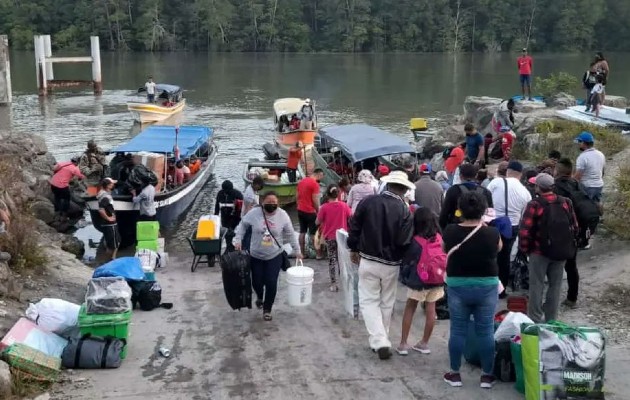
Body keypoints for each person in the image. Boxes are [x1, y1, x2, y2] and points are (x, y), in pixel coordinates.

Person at [347, 171, 414, 360]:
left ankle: (380, 340)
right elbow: (404, 241)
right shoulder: (405, 211)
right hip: (391, 263)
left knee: (368, 301)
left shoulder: (368, 202)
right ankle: (380, 339)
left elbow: (355, 226)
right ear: (405, 190)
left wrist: (353, 248)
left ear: (388, 185)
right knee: (386, 302)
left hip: (368, 259)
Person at [442, 190, 502, 388]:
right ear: (483, 210)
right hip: (486, 286)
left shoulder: (450, 231)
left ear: (459, 209)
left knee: (458, 330)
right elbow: (499, 248)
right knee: (485, 331)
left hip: (458, 285)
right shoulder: (492, 232)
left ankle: (454, 373)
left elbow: (444, 249)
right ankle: (486, 375)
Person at [518, 173, 579, 323]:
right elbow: (575, 227)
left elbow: (525, 231)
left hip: (539, 252)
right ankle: (552, 319)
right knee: (555, 286)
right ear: (552, 186)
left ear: (538, 187)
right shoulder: (566, 202)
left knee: (536, 286)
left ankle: (535, 319)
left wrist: (525, 250)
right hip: (561, 251)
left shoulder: (535, 204)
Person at [234, 191, 302, 321]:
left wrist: (297, 250)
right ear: (262, 203)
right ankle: (260, 296)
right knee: (257, 282)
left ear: (278, 203)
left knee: (271, 282)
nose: (271, 205)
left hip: (274, 255)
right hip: (255, 255)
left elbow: (290, 234)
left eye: (274, 203)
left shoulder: (283, 215)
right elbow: (242, 225)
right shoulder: (254, 213)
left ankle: (267, 308)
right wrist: (238, 240)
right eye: (268, 202)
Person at [554, 158, 601, 308]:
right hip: (578, 230)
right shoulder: (578, 184)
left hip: (562, 232)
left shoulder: (556, 187)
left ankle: (551, 300)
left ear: (557, 171)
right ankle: (572, 298)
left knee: (554, 265)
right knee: (571, 265)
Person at [397, 207, 444, 356]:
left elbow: (408, 260)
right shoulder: (439, 238)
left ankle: (403, 344)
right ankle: (424, 343)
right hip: (437, 278)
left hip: (419, 280)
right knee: (431, 309)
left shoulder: (416, 241)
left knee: (410, 307)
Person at [486, 161, 531, 295]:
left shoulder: (495, 183)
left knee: (490, 254)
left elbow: (485, 199)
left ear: (507, 171)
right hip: (512, 226)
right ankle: (502, 289)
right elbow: (524, 215)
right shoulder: (525, 192)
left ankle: (488, 284)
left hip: (493, 223)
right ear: (521, 174)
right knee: (504, 257)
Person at [317, 184, 353, 292]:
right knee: (342, 260)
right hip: (342, 237)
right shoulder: (344, 206)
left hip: (330, 237)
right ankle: (345, 281)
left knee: (332, 260)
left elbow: (317, 222)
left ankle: (333, 283)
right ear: (338, 194)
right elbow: (351, 217)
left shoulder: (324, 207)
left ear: (327, 194)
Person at [439, 163, 493, 230]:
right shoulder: (486, 192)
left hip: (457, 230)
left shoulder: (453, 190)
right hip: (480, 229)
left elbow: (444, 214)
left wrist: (446, 230)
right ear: (476, 175)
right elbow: (491, 215)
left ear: (460, 176)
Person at [296, 168, 324, 258]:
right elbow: (315, 200)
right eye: (322, 176)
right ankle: (318, 254)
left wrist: (299, 206)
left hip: (300, 210)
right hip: (310, 211)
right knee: (313, 234)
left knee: (302, 232)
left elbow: (297, 196)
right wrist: (318, 211)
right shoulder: (315, 184)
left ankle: (302, 254)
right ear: (319, 174)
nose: (321, 179)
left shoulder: (301, 182)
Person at [574, 131, 605, 203]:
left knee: (585, 208)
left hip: (587, 187)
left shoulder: (582, 157)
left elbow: (578, 177)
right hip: (599, 185)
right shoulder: (601, 154)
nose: (578, 144)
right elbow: (602, 172)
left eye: (579, 141)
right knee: (596, 207)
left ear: (583, 143)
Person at [96, 177, 120, 260]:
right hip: (110, 224)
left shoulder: (103, 193)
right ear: (108, 185)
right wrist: (108, 218)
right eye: (112, 183)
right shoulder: (105, 197)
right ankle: (108, 260)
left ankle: (112, 258)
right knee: (113, 245)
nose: (113, 185)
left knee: (113, 243)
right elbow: (101, 210)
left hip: (108, 223)